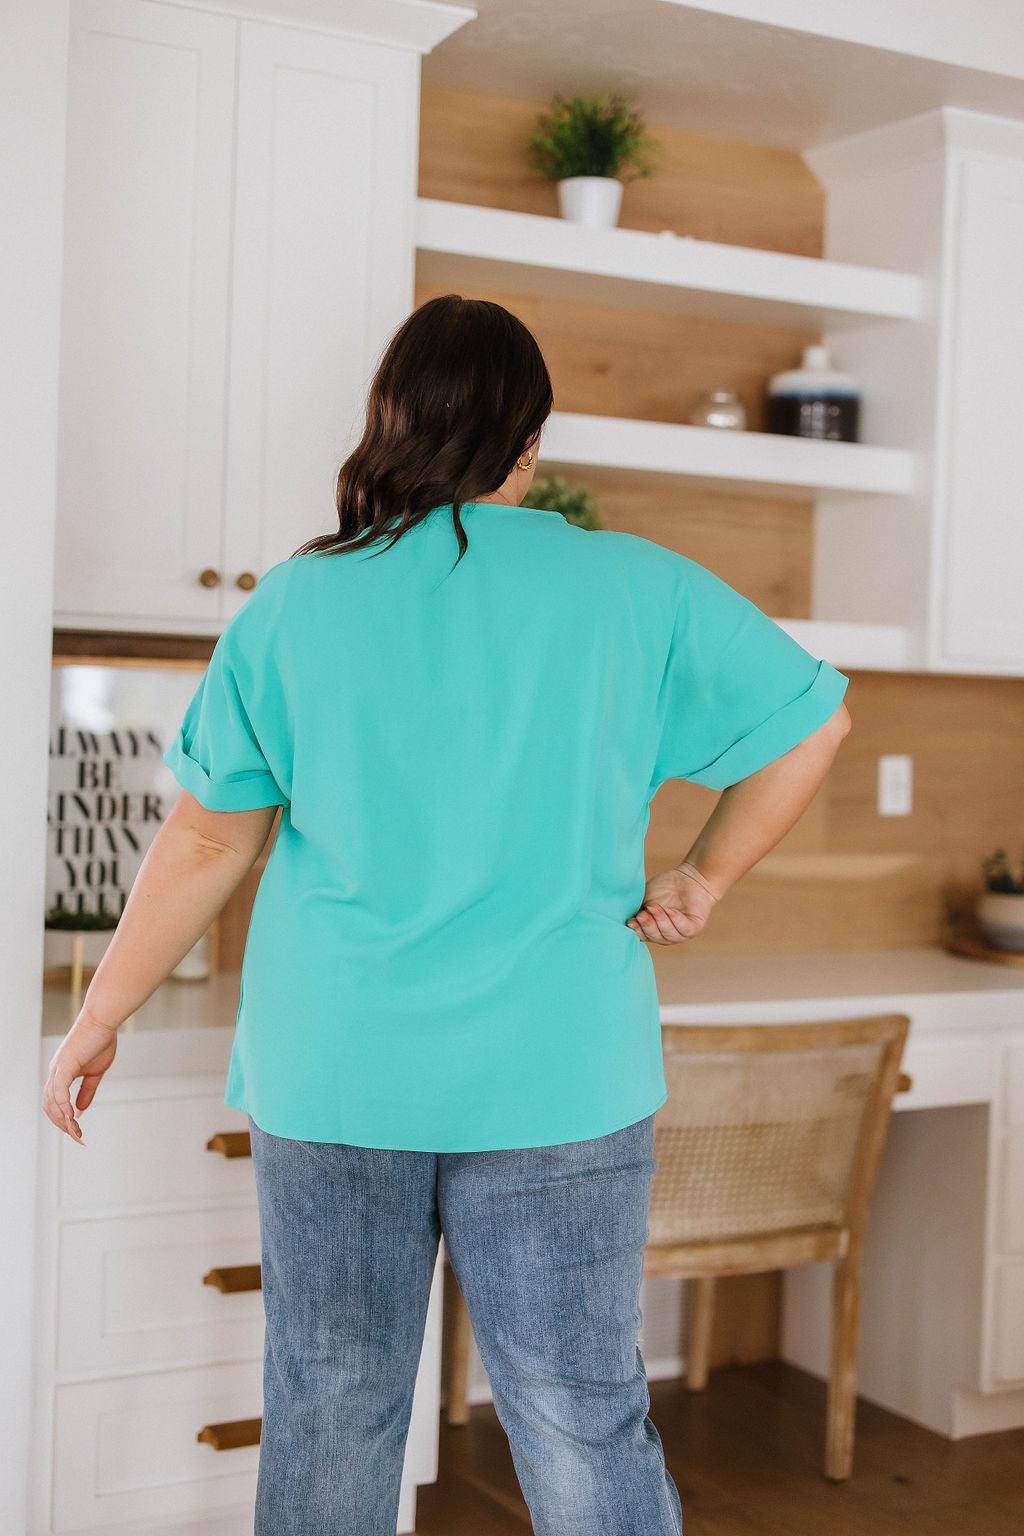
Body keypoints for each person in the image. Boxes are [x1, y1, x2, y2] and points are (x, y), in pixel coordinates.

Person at [42, 294, 851, 1535]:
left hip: (338, 1070)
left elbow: (207, 839)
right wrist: (701, 878)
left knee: (330, 1405)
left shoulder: (296, 603)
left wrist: (101, 1014)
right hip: (560, 1073)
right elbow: (814, 723)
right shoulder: (635, 586)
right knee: (580, 1413)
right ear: (528, 439)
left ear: (392, 423)